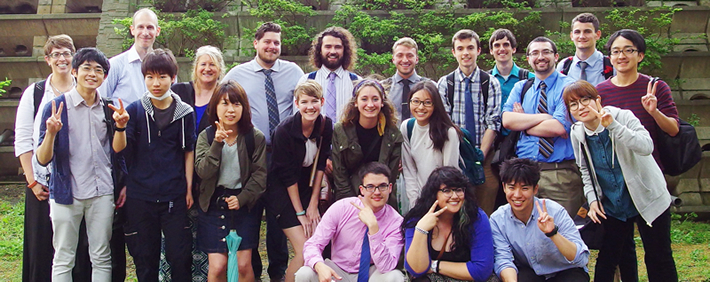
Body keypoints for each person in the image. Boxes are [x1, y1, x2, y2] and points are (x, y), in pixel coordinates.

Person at [565, 80, 677, 281]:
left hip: (648, 196)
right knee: (611, 257)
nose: (581, 107)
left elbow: (646, 146)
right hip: (614, 203)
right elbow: (585, 169)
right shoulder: (577, 133)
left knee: (658, 257)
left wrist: (614, 126)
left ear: (598, 100)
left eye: (585, 100)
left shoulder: (622, 116)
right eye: (573, 104)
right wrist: (592, 200)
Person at [223, 22, 305, 280]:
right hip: (251, 154)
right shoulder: (237, 73)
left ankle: (278, 270)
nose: (272, 47)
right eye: (267, 41)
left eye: (277, 43)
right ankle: (254, 270)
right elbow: (222, 104)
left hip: (283, 155)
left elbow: (303, 107)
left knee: (278, 213)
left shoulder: (294, 72)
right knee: (252, 210)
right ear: (256, 43)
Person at [13, 34, 95, 282]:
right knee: (42, 248)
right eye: (56, 54)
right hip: (42, 184)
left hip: (77, 185)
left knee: (78, 249)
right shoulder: (35, 93)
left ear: (74, 57)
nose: (62, 58)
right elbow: (24, 139)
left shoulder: (86, 89)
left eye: (67, 53)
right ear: (48, 59)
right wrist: (32, 181)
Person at [35, 47, 119, 281]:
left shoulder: (108, 108)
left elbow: (117, 151)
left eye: (99, 70)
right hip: (66, 193)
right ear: (74, 71)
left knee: (101, 256)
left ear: (104, 76)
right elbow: (42, 159)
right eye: (86, 68)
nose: (92, 74)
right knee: (64, 257)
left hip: (101, 192)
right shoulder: (56, 108)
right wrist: (51, 133)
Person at [111, 49, 195, 282]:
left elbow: (188, 151)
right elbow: (119, 150)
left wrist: (188, 188)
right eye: (150, 76)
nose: (156, 83)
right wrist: (120, 127)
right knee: (145, 259)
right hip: (141, 196)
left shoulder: (185, 112)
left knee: (179, 256)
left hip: (174, 195)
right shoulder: (135, 110)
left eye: (162, 77)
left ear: (173, 78)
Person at [501, 37, 584, 218]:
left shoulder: (570, 86)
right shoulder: (521, 87)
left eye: (546, 52)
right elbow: (507, 120)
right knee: (527, 232)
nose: (541, 57)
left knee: (564, 233)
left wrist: (524, 124)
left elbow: (560, 127)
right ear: (528, 59)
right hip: (526, 174)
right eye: (535, 53)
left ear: (556, 56)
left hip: (560, 173)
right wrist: (544, 118)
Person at [194, 80, 267, 282]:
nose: (231, 110)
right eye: (224, 103)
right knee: (218, 267)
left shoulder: (254, 137)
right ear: (215, 107)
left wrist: (242, 198)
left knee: (244, 266)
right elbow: (202, 171)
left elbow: (260, 176)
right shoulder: (206, 137)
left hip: (244, 204)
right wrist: (217, 144)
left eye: (236, 104)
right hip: (214, 204)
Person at [266, 80, 333, 282]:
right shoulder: (284, 131)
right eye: (304, 102)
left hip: (307, 189)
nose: (310, 107)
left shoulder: (325, 125)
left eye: (314, 101)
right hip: (282, 194)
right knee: (305, 250)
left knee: (316, 245)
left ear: (322, 102)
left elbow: (320, 165)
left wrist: (313, 205)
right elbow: (287, 177)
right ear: (297, 104)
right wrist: (300, 213)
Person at [295, 162, 405, 282]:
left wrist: (374, 228)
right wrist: (319, 265)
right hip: (337, 272)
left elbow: (387, 266)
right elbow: (313, 244)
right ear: (362, 190)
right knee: (304, 273)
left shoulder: (396, 222)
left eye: (382, 186)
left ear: (390, 188)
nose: (377, 192)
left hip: (371, 274)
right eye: (370, 187)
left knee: (395, 277)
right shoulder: (342, 207)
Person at [490, 158, 589, 282]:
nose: (517, 195)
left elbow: (581, 258)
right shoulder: (497, 219)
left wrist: (553, 233)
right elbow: (503, 260)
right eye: (512, 187)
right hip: (531, 273)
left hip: (565, 271)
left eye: (524, 188)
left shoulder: (555, 211)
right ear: (504, 187)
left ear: (535, 189)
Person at [437, 29, 502, 216]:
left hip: (484, 153)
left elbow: (493, 122)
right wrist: (464, 150)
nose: (465, 53)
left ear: (479, 50)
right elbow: (445, 122)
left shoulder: (490, 82)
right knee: (456, 203)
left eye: (470, 48)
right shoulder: (445, 83)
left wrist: (479, 154)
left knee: (487, 195)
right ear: (454, 52)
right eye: (460, 48)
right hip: (455, 153)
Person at [596, 29, 680, 173]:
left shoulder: (655, 87)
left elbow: (673, 130)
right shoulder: (600, 92)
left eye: (628, 50)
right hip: (615, 171)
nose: (621, 56)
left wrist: (654, 112)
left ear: (640, 56)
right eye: (615, 51)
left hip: (650, 168)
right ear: (610, 57)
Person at [402, 166, 494, 282]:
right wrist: (421, 230)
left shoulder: (476, 217)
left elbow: (481, 271)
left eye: (459, 190)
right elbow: (416, 270)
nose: (455, 196)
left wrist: (434, 265)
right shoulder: (417, 218)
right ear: (434, 194)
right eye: (447, 190)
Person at [331, 79, 402, 211]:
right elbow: (340, 175)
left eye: (375, 99)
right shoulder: (341, 130)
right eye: (364, 99)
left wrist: (377, 203)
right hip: (349, 201)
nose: (370, 104)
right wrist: (355, 205)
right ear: (356, 103)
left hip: (381, 200)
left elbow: (390, 178)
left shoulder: (393, 134)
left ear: (382, 103)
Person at [401, 81, 461, 205]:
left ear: (435, 105)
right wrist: (415, 202)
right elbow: (409, 170)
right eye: (416, 101)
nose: (421, 107)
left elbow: (449, 174)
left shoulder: (448, 132)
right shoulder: (407, 127)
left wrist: (438, 203)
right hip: (419, 198)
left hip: (443, 198)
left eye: (427, 102)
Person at [297, 26, 361, 122]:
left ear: (345, 51)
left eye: (338, 47)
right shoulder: (306, 80)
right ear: (319, 50)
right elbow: (297, 117)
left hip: (346, 136)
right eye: (328, 47)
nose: (333, 51)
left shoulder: (357, 82)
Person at [99, 8, 161, 104]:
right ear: (132, 30)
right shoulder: (115, 65)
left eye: (150, 27)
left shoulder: (165, 66)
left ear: (157, 31)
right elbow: (101, 101)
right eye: (140, 27)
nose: (145, 33)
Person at [172, 45, 226, 133]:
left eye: (212, 64)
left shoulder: (224, 96)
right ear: (196, 67)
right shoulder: (178, 91)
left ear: (219, 69)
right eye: (203, 64)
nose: (207, 69)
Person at [556, 13, 612, 86]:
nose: (582, 36)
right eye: (577, 32)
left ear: (597, 34)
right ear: (571, 36)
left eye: (587, 31)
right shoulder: (564, 66)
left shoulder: (611, 65)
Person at [382, 37, 429, 122]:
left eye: (410, 56)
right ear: (393, 59)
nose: (405, 60)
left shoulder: (429, 87)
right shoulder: (383, 87)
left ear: (417, 59)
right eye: (400, 55)